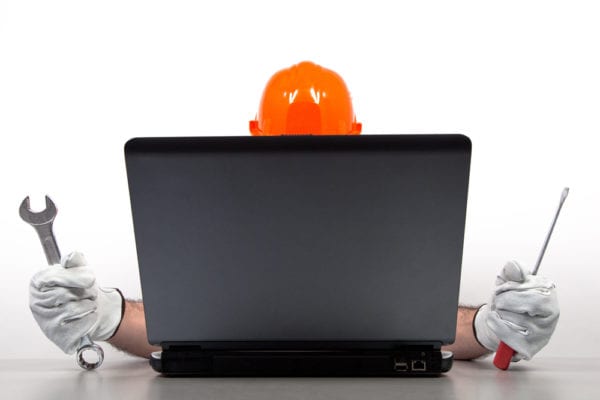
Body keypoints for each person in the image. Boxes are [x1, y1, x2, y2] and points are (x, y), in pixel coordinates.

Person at [29, 61, 559, 363]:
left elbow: (427, 334)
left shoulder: (396, 224)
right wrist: (108, 314)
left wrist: (493, 327)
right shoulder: (213, 219)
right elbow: (178, 332)